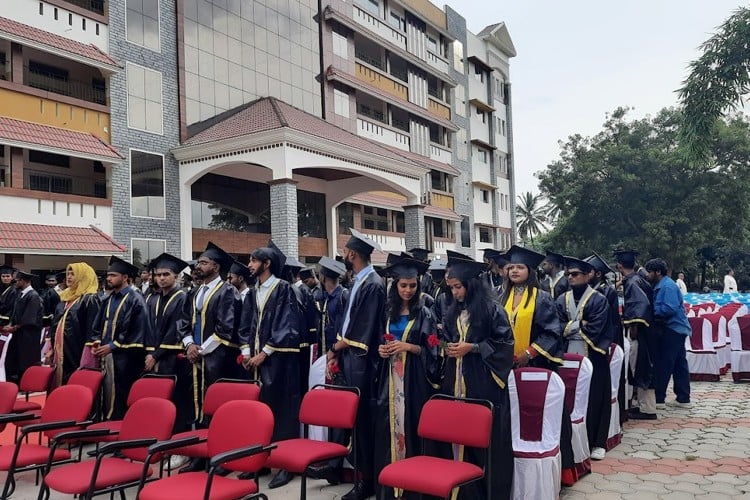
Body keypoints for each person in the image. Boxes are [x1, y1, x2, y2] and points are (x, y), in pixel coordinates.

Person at [440, 253, 514, 500]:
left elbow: (505, 345)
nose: (454, 293)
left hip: (483, 383)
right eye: (451, 288)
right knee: (459, 437)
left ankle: (488, 493)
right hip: (457, 381)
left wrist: (471, 348)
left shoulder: (493, 310)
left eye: (458, 287)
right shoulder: (454, 311)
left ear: (470, 285)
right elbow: (451, 338)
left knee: (484, 440)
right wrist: (448, 349)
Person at [321, 228, 386, 500]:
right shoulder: (358, 280)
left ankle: (367, 480)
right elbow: (346, 323)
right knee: (350, 418)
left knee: (363, 421)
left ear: (352, 253)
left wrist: (337, 347)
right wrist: (335, 351)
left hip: (362, 361)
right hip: (349, 358)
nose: (344, 253)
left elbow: (363, 329)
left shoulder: (372, 283)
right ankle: (348, 470)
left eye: (346, 249)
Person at [374, 255, 440, 500]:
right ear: (395, 285)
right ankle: (391, 488)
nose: (408, 290)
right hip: (390, 379)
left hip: (413, 381)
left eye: (412, 285)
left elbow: (433, 350)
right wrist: (382, 350)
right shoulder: (388, 311)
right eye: (403, 285)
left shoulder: (424, 312)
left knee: (411, 426)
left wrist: (407, 347)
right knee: (389, 427)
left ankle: (413, 490)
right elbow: (381, 340)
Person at [238, 242, 301, 489]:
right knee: (258, 414)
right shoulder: (253, 292)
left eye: (254, 261)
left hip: (279, 362)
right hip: (254, 362)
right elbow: (245, 324)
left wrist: (264, 353)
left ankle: (285, 465)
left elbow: (288, 325)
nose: (250, 265)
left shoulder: (283, 289)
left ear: (267, 264)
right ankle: (260, 461)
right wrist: (245, 352)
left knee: (282, 412)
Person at [178, 242, 242, 472]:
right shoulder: (194, 292)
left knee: (218, 408)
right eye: (199, 261)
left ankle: (223, 457)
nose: (198, 265)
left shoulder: (227, 292)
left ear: (216, 266)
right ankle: (200, 455)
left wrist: (200, 349)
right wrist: (188, 345)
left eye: (204, 262)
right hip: (195, 358)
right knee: (197, 407)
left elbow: (226, 328)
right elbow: (183, 322)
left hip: (218, 360)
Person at [557, 257, 612, 463]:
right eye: (568, 274)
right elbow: (556, 326)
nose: (571, 277)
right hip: (566, 356)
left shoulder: (599, 300)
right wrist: (579, 324)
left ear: (587, 275)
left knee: (596, 397)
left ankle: (598, 442)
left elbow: (597, 328)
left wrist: (569, 328)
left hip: (593, 356)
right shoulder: (561, 298)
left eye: (575, 274)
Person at [89, 256, 151, 420]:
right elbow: (99, 324)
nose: (109, 278)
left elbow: (137, 329)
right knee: (107, 392)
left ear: (125, 278)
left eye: (113, 275)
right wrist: (97, 341)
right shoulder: (108, 299)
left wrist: (114, 345)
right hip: (107, 355)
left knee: (123, 393)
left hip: (127, 357)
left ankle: (120, 431)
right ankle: (107, 426)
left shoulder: (135, 299)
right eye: (108, 275)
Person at [144, 253, 191, 432]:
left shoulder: (182, 297)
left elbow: (176, 330)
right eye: (158, 275)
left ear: (176, 276)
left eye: (166, 274)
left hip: (173, 358)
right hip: (153, 358)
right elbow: (148, 328)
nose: (161, 278)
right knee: (157, 399)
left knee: (175, 400)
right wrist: (149, 353)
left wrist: (155, 355)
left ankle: (176, 440)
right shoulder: (153, 299)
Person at [499, 245, 563, 370]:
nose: (514, 270)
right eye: (511, 267)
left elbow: (551, 332)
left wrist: (529, 353)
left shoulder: (541, 298)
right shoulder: (501, 298)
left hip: (534, 362)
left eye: (520, 267)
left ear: (530, 271)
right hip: (504, 364)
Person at [614, 249, 657, 420]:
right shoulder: (639, 279)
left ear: (619, 265)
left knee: (640, 366)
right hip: (647, 331)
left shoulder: (633, 283)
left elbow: (640, 305)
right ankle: (644, 406)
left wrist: (634, 326)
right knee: (640, 366)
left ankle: (648, 409)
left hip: (640, 332)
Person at [644, 258, 692, 409]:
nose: (647, 275)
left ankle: (659, 398)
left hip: (673, 329)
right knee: (679, 364)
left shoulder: (667, 287)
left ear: (658, 272)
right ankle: (683, 398)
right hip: (677, 329)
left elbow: (669, 309)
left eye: (649, 272)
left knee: (664, 362)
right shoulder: (662, 285)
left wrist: (651, 314)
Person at [46, 263, 101, 387]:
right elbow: (56, 324)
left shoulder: (89, 299)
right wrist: (51, 348)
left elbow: (92, 329)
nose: (69, 277)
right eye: (68, 274)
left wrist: (87, 356)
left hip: (77, 350)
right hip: (60, 350)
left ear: (84, 276)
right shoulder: (65, 297)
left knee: (73, 384)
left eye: (73, 274)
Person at [3, 271, 43, 385]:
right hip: (19, 334)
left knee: (26, 360)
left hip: (28, 335)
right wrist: (11, 324)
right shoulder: (21, 294)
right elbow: (16, 313)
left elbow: (30, 317)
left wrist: (14, 327)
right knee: (16, 359)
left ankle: (26, 384)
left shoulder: (33, 296)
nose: (15, 283)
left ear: (23, 281)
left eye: (17, 281)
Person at [314, 256, 348, 356]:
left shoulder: (344, 296)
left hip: (340, 352)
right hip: (328, 351)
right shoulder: (326, 298)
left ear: (323, 278)